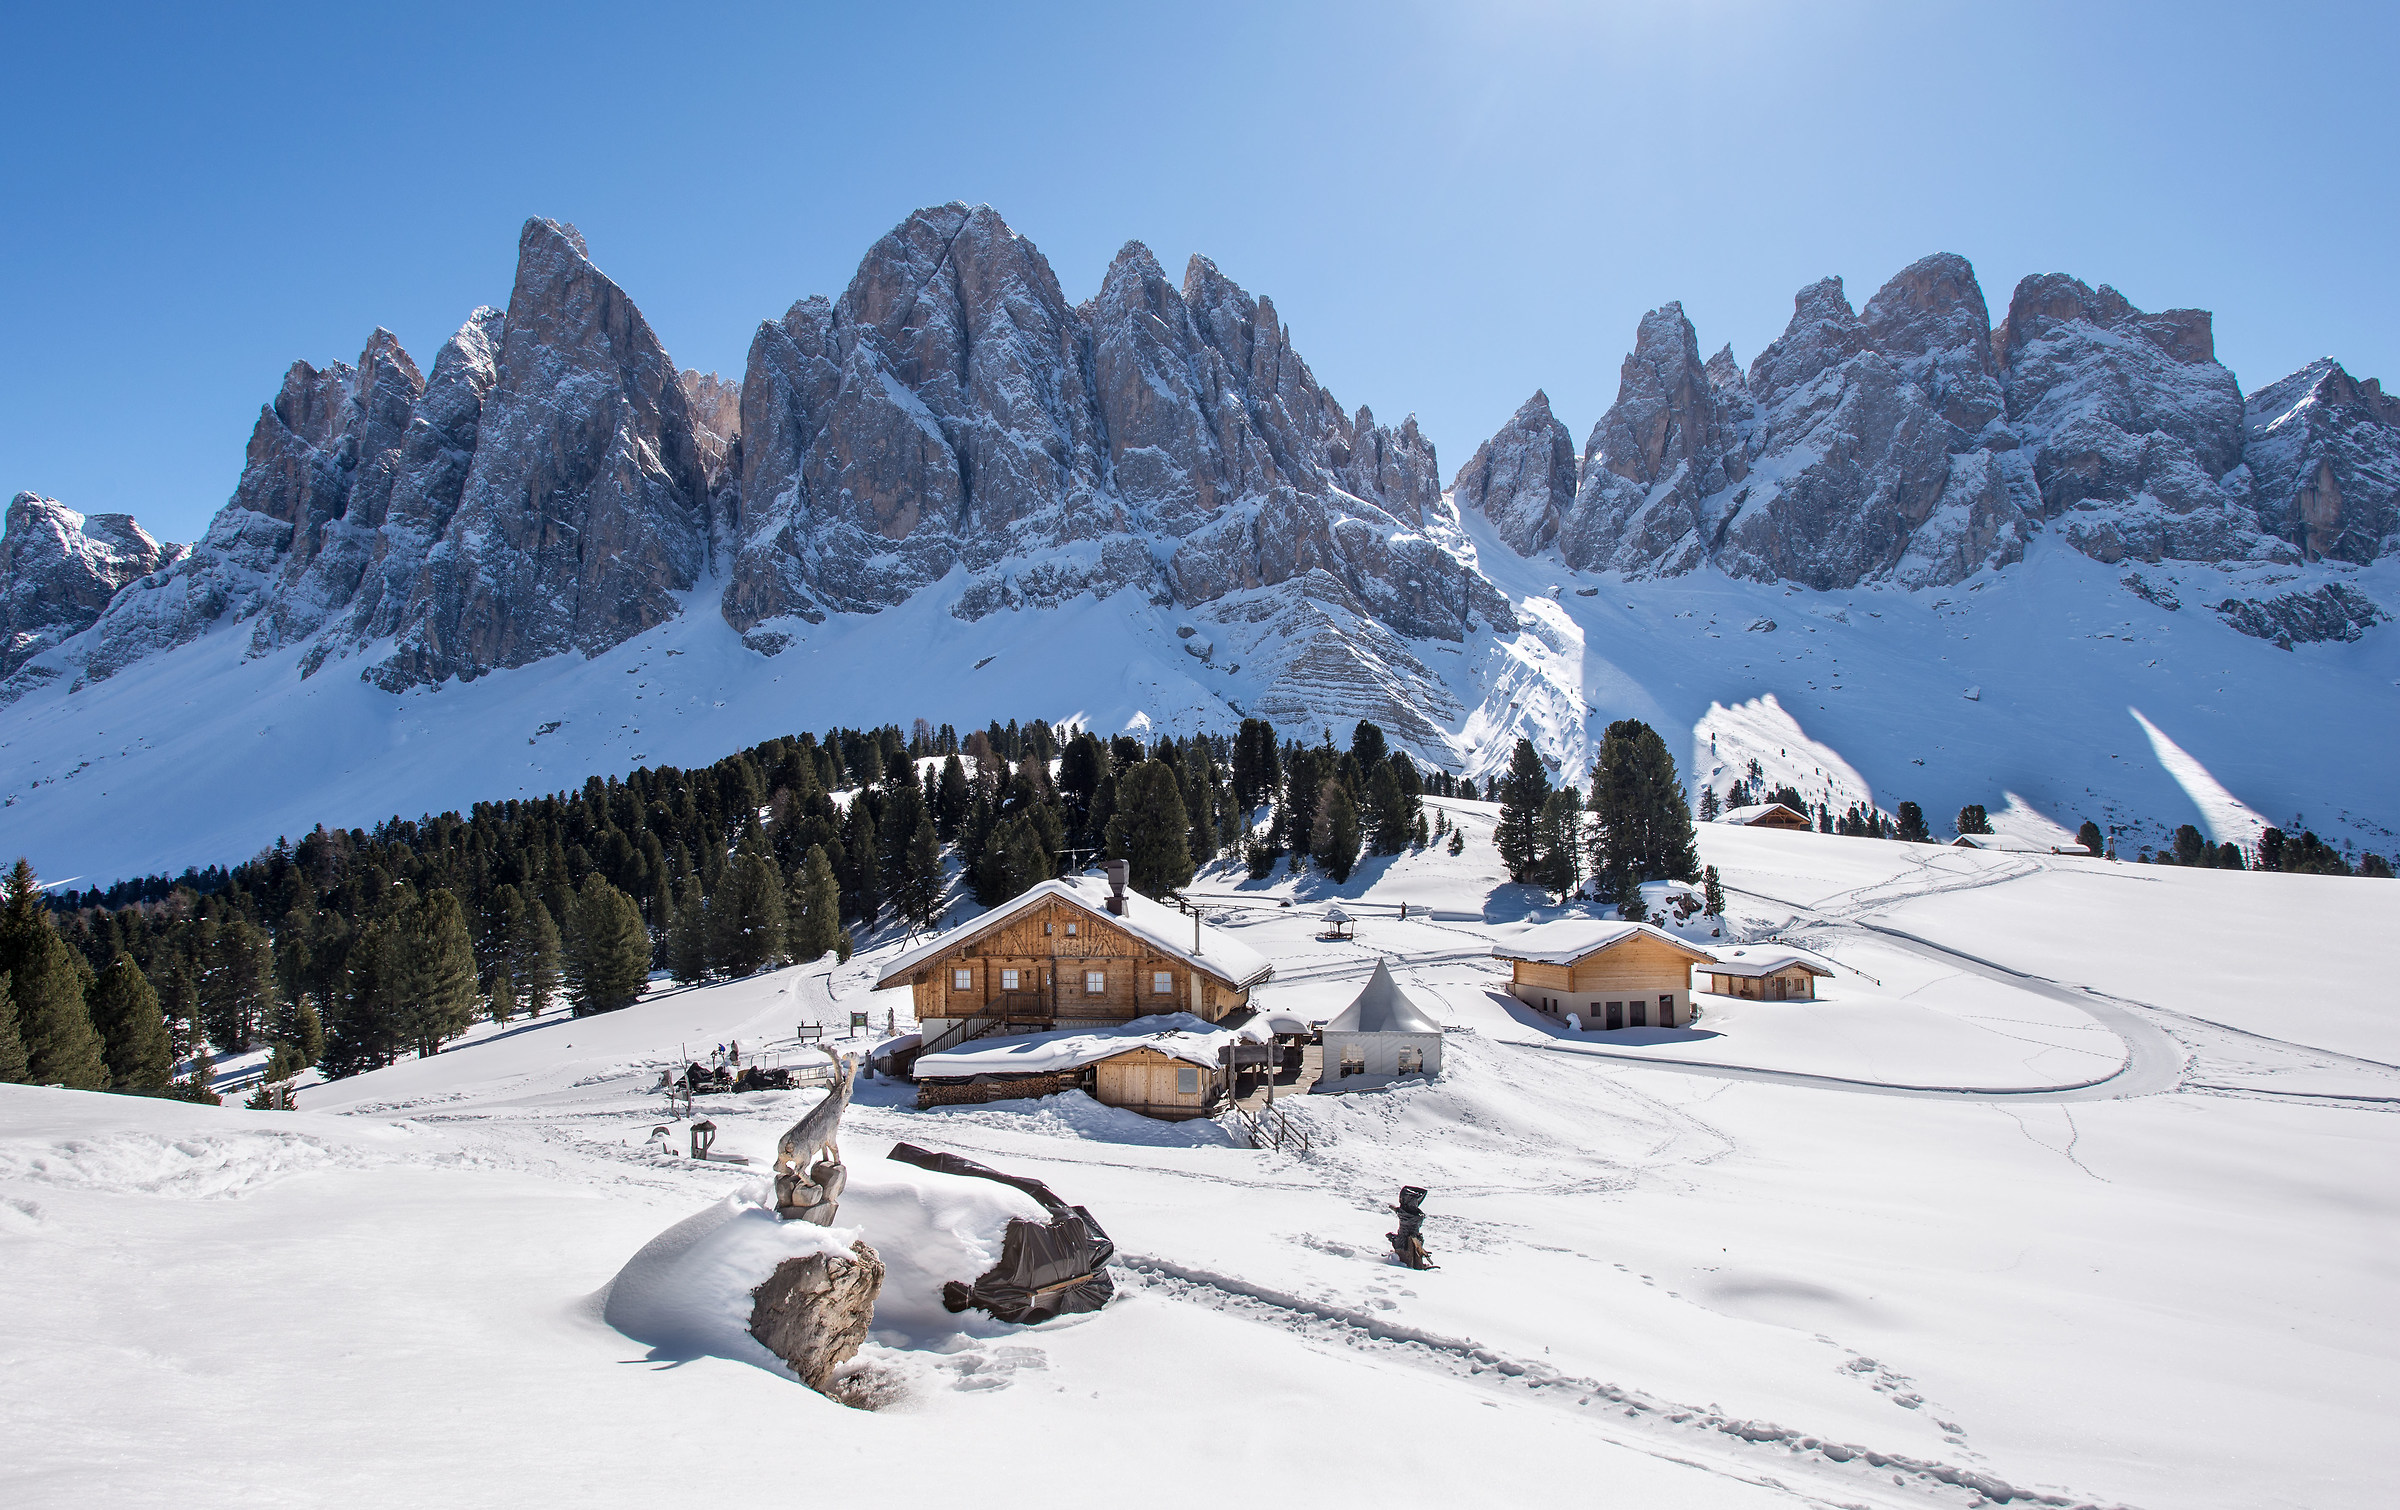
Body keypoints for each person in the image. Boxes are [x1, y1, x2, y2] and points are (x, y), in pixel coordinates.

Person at [1387, 1186, 1435, 1270]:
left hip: (1406, 1243)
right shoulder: (1417, 1216)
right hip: (1409, 1241)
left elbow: (1400, 1212)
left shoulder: (1407, 1215)